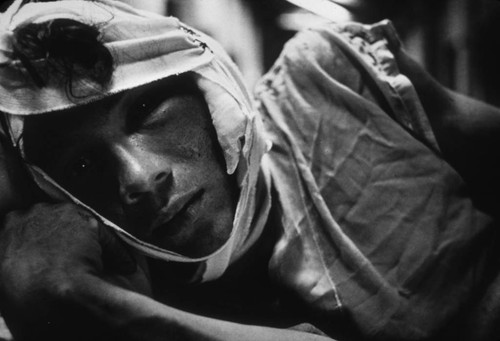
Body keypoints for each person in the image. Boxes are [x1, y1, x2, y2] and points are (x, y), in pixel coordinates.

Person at [0, 0, 499, 340]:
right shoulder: (133, 293)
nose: (137, 179)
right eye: (82, 164)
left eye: (147, 109)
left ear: (208, 89)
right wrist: (94, 302)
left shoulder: (330, 82)